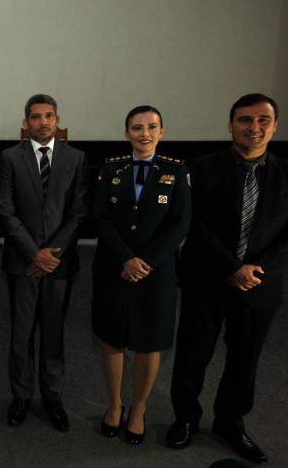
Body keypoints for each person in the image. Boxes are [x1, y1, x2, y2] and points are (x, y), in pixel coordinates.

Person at [166, 93, 288, 463]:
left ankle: (230, 422)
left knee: (245, 358)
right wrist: (231, 267)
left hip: (260, 284)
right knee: (193, 353)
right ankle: (185, 418)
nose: (254, 127)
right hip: (206, 277)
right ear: (231, 125)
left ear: (275, 126)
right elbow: (193, 222)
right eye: (245, 120)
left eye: (263, 120)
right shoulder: (200, 168)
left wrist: (254, 269)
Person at [92, 106, 191, 445]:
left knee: (150, 340)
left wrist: (144, 261)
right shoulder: (111, 168)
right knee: (112, 337)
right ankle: (114, 404)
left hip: (156, 271)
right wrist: (125, 258)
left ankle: (139, 408)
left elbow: (180, 222)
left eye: (151, 127)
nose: (144, 133)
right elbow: (101, 217)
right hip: (113, 267)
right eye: (137, 128)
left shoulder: (176, 170)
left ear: (162, 131)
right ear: (127, 133)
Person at [0, 93, 88, 432]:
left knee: (53, 333)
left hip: (59, 264)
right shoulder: (10, 158)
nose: (43, 122)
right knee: (21, 335)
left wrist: (52, 254)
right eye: (36, 117)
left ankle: (52, 398)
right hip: (23, 262)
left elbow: (78, 212)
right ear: (25, 123)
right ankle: (20, 396)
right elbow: (5, 211)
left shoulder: (76, 158)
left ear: (57, 120)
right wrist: (35, 253)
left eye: (49, 116)